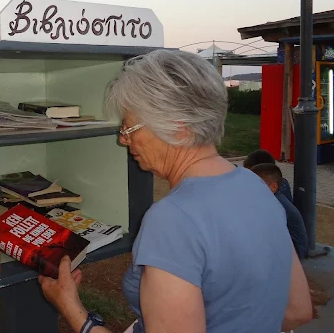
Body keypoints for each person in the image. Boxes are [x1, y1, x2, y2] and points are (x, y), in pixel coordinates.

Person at [38, 50, 312, 333]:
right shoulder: (256, 186)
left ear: (179, 129)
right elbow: (297, 311)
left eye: (130, 127)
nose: (123, 139)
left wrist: (72, 309)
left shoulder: (172, 219)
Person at [251, 163, 309, 260]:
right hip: (287, 248)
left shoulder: (277, 205)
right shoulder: (272, 199)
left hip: (293, 254)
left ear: (273, 187)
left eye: (254, 185)